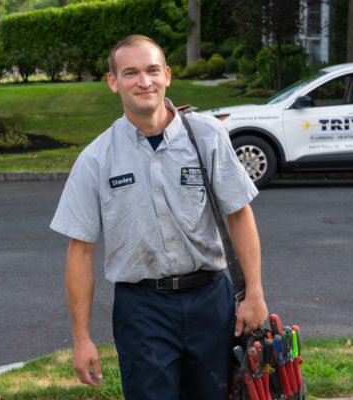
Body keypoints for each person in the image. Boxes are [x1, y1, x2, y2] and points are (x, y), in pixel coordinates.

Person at [50, 34, 268, 400]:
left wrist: (255, 294)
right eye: (130, 73)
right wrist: (82, 338)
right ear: (113, 82)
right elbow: (81, 250)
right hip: (142, 311)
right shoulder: (96, 159)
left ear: (167, 75)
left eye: (152, 70)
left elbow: (239, 214)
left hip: (210, 302)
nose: (144, 81)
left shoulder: (206, 135)